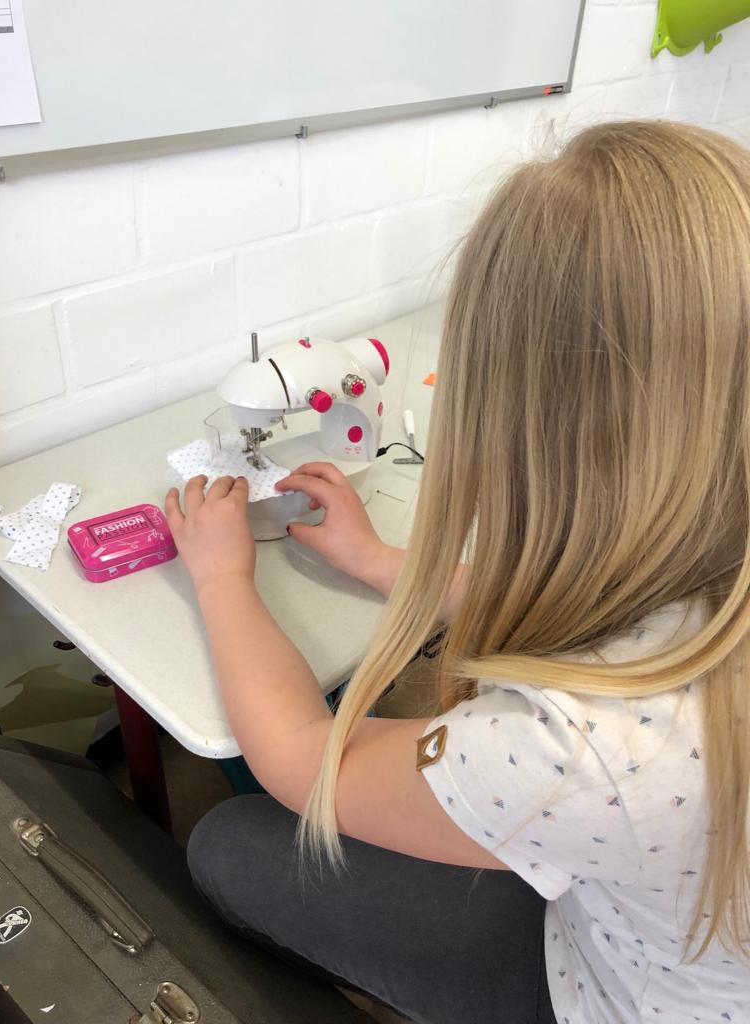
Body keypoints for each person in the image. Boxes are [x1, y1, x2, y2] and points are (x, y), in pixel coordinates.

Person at [165, 120, 750, 1024]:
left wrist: (220, 579)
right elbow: (628, 621)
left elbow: (303, 760)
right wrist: (379, 561)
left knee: (228, 843)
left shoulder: (572, 751)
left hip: (612, 992)